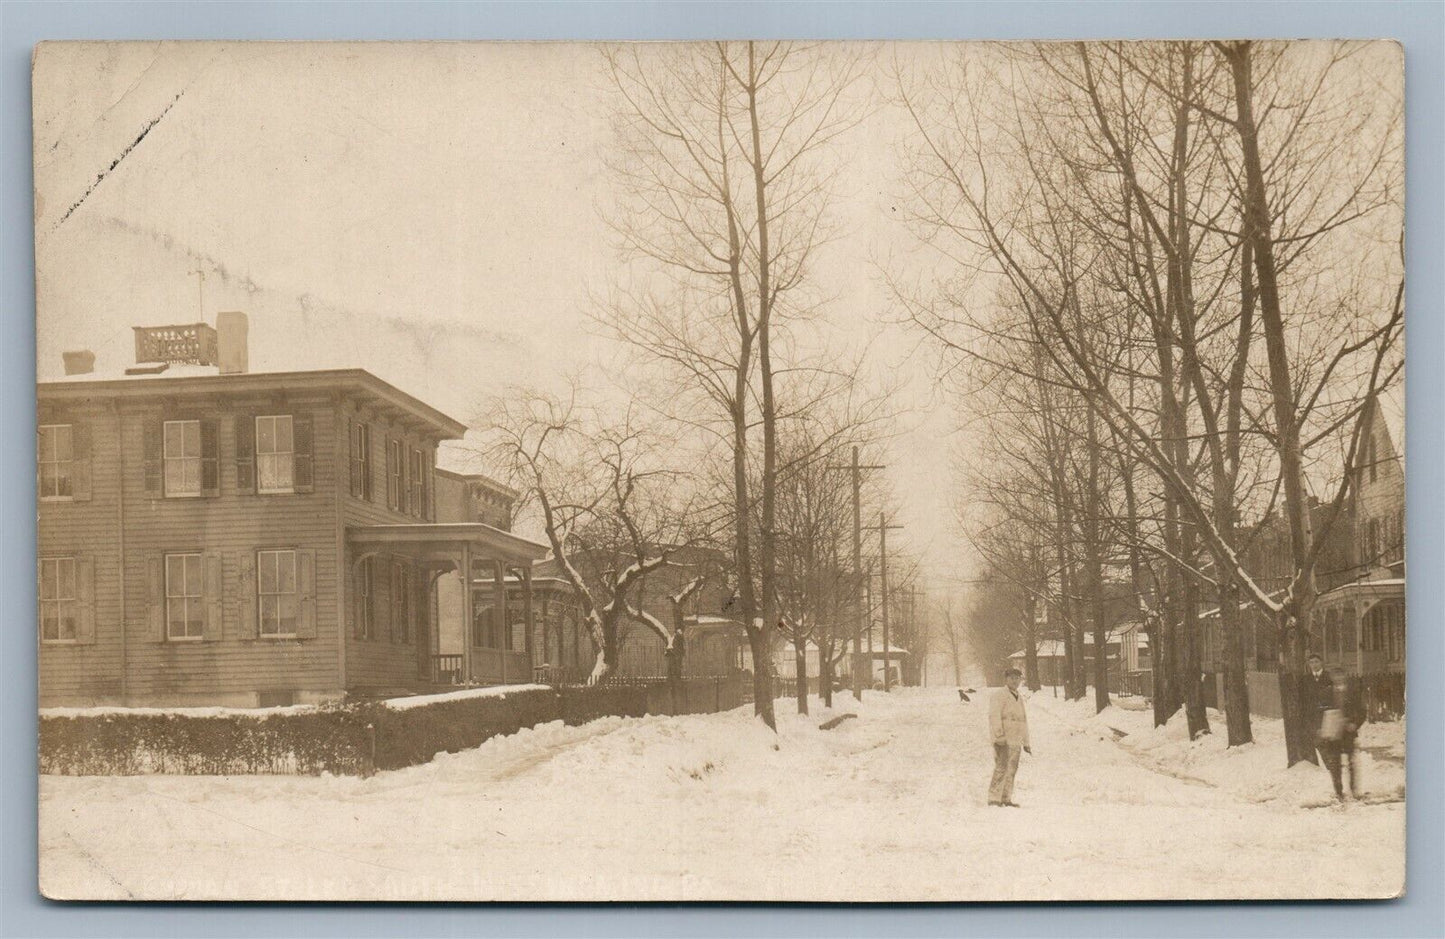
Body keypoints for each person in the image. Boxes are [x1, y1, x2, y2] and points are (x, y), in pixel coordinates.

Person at [1318, 666, 1367, 802]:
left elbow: (1362, 711)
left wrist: (1355, 724)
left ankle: (1354, 790)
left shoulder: (1353, 692)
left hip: (1348, 732)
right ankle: (1339, 792)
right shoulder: (1326, 693)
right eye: (1335, 675)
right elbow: (1319, 711)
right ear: (1331, 678)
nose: (1338, 678)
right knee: (1335, 763)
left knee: (1351, 762)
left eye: (1340, 675)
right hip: (1332, 733)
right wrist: (1321, 727)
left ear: (1345, 676)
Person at [988, 666, 1031, 807]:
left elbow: (1023, 720)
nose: (1015, 681)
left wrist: (1026, 742)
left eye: (1017, 678)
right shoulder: (999, 695)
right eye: (1012, 678)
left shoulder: (1019, 697)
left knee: (1012, 769)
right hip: (1004, 739)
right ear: (1006, 679)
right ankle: (994, 798)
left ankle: (1006, 798)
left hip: (1016, 739)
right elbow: (994, 716)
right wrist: (999, 735)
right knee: (1001, 768)